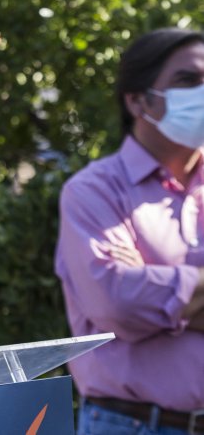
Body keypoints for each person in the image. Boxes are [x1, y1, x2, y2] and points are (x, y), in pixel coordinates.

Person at [55, 27, 204, 435]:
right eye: (189, 81)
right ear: (139, 100)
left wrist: (164, 294)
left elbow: (137, 297)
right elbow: (115, 301)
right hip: (133, 425)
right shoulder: (93, 191)